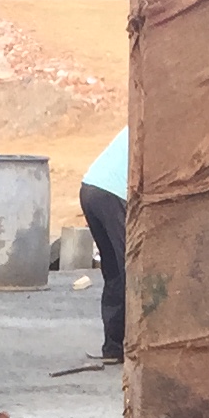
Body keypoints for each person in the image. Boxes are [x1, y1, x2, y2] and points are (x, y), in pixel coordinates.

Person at [80, 128, 129, 363]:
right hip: (113, 196)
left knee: (115, 272)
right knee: (133, 269)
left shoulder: (142, 118)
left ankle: (113, 348)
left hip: (90, 189)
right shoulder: (164, 124)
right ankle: (138, 346)